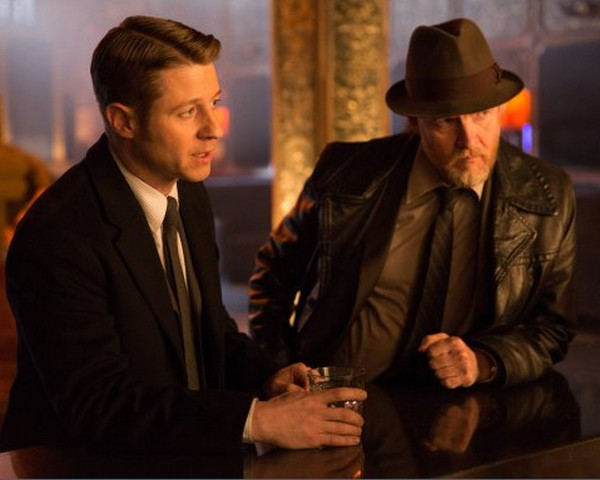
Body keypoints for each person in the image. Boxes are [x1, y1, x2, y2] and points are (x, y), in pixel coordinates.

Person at [0, 15, 365, 453]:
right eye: (188, 111)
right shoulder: (58, 235)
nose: (214, 128)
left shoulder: (188, 193)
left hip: (179, 455)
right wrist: (257, 420)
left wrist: (268, 376)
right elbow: (98, 407)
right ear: (123, 121)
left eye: (214, 102)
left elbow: (210, 330)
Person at [249, 18, 576, 389]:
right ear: (414, 121)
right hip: (337, 399)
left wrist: (484, 361)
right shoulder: (345, 172)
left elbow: (553, 327)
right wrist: (280, 371)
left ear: (500, 109)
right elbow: (272, 276)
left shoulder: (548, 195)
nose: (469, 140)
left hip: (464, 407)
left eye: (481, 114)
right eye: (446, 120)